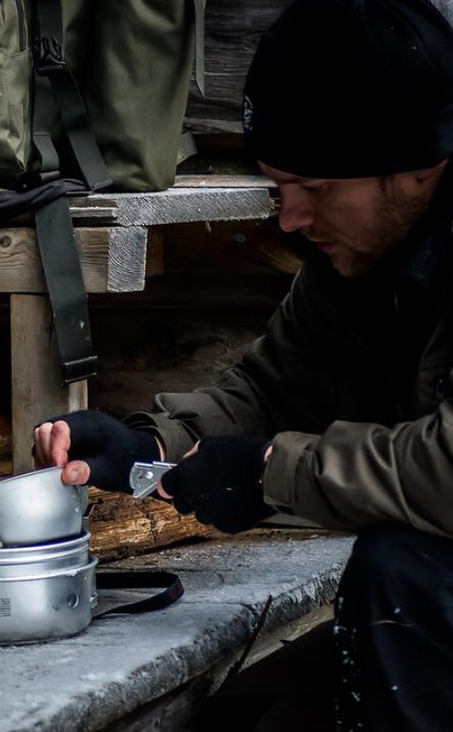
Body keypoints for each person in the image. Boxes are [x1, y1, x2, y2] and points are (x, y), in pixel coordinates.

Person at [33, 0, 453, 729]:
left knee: (401, 575)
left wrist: (267, 473)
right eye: (278, 184)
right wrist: (150, 443)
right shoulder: (355, 264)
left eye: (316, 189)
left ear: (418, 168)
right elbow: (274, 390)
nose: (288, 217)